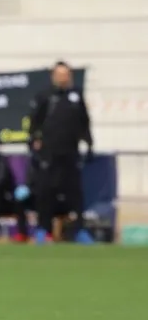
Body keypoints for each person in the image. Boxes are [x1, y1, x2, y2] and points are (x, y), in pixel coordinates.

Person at [28, 60, 94, 244]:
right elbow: (34, 123)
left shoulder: (76, 95)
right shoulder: (45, 96)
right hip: (49, 154)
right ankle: (43, 230)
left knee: (75, 193)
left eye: (66, 75)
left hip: (70, 152)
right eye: (60, 75)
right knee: (45, 193)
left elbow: (84, 122)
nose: (63, 78)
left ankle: (79, 230)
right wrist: (34, 143)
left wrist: (89, 144)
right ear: (53, 76)